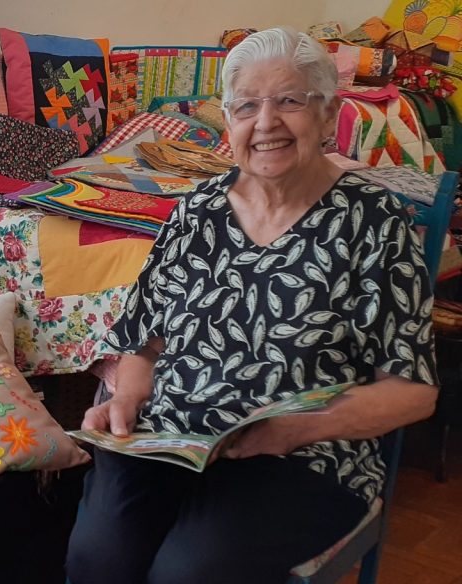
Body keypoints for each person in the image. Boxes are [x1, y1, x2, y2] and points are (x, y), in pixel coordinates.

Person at [65, 27, 439, 584]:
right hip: (174, 439)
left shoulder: (375, 222)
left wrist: (295, 429)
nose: (266, 123)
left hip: (303, 458)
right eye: (246, 106)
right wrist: (127, 398)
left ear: (327, 114)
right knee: (97, 558)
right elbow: (143, 339)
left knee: (187, 574)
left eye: (289, 101)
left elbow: (413, 392)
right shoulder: (197, 210)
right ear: (228, 121)